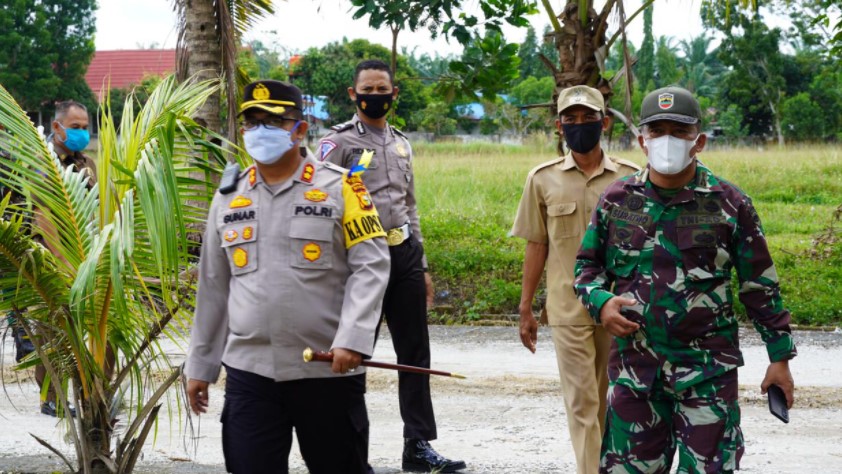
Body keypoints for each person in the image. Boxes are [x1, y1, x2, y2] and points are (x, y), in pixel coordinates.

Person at [574, 86, 797, 473]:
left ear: (700, 140)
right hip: (635, 371)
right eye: (657, 130)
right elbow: (586, 267)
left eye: (679, 131)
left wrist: (779, 358)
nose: (667, 140)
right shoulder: (617, 200)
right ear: (641, 140)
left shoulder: (730, 203)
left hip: (707, 372)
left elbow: (759, 286)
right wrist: (601, 301)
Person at [184, 80, 391, 474]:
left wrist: (353, 338)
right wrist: (201, 365)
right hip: (251, 372)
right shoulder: (228, 196)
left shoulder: (342, 186)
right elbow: (214, 285)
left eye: (274, 121)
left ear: (300, 129)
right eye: (253, 121)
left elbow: (371, 265)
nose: (261, 130)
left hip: (326, 368)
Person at [317, 59, 465, 473]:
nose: (375, 96)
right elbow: (319, 203)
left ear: (394, 94)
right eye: (368, 89)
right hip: (358, 259)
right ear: (353, 94)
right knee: (352, 349)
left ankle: (417, 446)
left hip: (404, 255)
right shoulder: (337, 142)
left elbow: (409, 206)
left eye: (383, 89)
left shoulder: (402, 143)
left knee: (414, 352)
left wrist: (423, 261)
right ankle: (346, 446)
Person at [511, 85, 639, 474]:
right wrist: (526, 308)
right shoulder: (542, 179)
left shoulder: (632, 178)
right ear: (558, 125)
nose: (579, 125)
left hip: (618, 308)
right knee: (583, 402)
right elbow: (537, 245)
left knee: (613, 401)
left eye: (588, 118)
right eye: (571, 119)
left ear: (605, 122)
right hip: (567, 308)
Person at [29, 100, 96, 417]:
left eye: (85, 127)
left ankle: (93, 393)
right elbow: (43, 218)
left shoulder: (87, 164)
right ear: (57, 128)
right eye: (75, 128)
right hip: (51, 260)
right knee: (53, 332)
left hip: (85, 257)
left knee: (92, 333)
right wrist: (61, 264)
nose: (82, 133)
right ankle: (51, 398)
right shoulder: (45, 166)